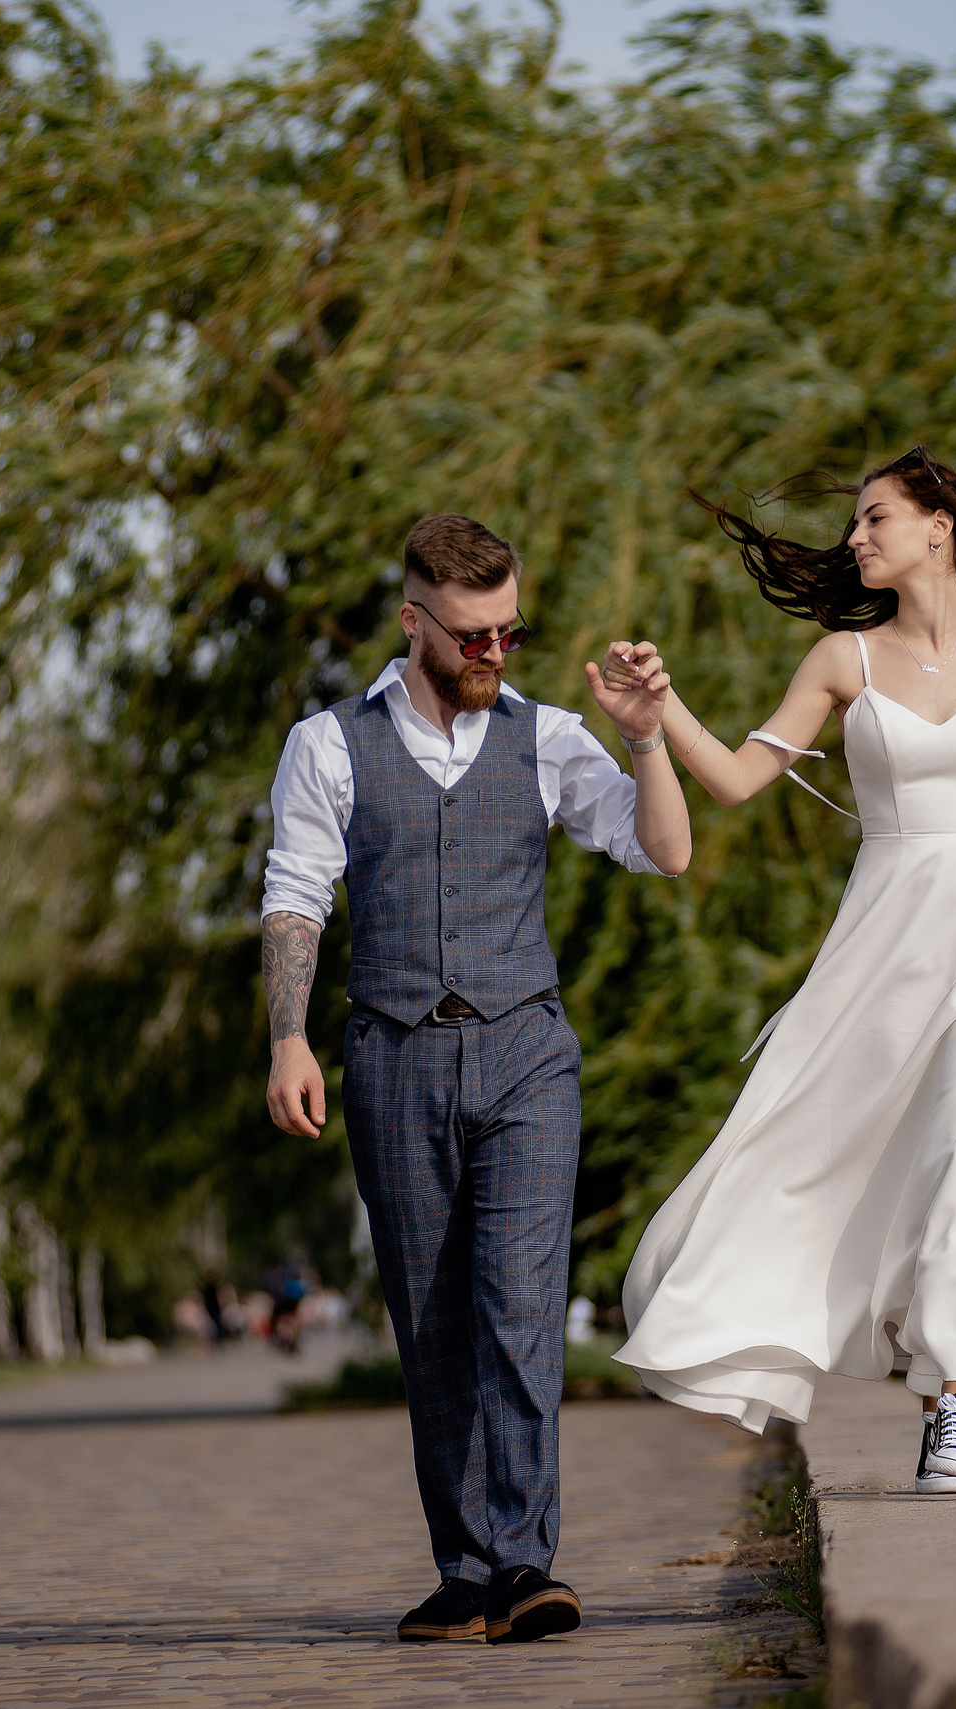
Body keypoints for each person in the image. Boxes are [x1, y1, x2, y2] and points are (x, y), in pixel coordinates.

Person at [612, 448, 956, 1495]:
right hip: (881, 940)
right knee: (805, 1139)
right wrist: (656, 720)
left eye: (874, 517)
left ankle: (953, 1403)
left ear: (938, 526)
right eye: (855, 522)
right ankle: (743, 1301)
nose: (854, 537)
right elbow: (738, 780)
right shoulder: (844, 661)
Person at [261, 513, 689, 1644]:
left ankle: (524, 1562)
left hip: (524, 1052)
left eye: (510, 629)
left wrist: (647, 740)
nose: (495, 651)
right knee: (432, 1315)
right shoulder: (327, 745)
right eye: (471, 635)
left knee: (518, 1302)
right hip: (392, 1053)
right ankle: (464, 1571)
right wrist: (288, 1037)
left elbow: (664, 849)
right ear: (414, 621)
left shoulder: (549, 738)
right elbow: (296, 892)